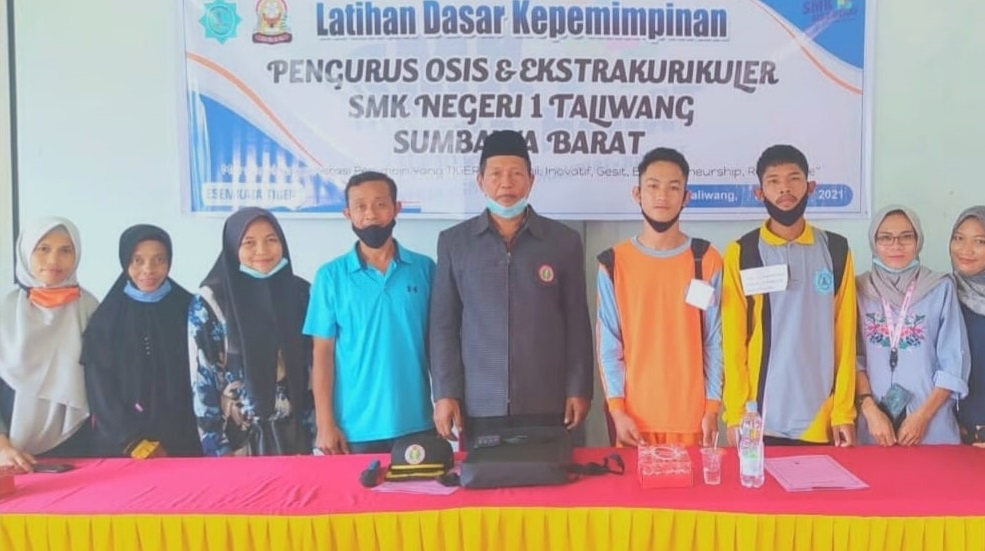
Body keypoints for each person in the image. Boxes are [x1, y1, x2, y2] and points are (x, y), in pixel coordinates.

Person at [429, 130, 594, 450]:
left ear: (531, 180)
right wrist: (445, 393)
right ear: (480, 181)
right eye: (496, 174)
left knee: (550, 480)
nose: (506, 183)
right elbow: (443, 326)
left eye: (516, 173)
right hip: (479, 403)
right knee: (483, 481)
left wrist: (579, 388)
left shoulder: (563, 241)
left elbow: (577, 322)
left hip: (547, 400)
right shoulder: (455, 243)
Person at [721, 145, 857, 446]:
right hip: (759, 419)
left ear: (810, 186)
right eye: (773, 181)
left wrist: (843, 412)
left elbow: (845, 337)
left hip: (821, 419)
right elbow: (732, 343)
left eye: (794, 178)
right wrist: (736, 414)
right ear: (759, 193)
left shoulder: (836, 250)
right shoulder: (742, 252)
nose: (784, 188)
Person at [596, 147, 723, 447]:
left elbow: (713, 341)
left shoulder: (706, 259)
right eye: (653, 186)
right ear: (637, 194)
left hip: (692, 420)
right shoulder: (613, 263)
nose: (662, 196)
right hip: (634, 422)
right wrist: (617, 411)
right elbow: (609, 345)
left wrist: (712, 408)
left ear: (686, 197)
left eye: (673, 187)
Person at [304, 171, 436, 454]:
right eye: (360, 206)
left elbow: (439, 343)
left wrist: (447, 401)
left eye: (380, 204)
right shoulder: (330, 276)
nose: (371, 215)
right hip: (354, 429)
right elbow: (322, 353)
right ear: (347, 213)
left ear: (396, 208)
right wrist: (325, 423)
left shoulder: (425, 269)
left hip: (417, 421)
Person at [189, 207, 313, 456]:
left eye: (271, 240)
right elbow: (203, 378)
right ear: (232, 247)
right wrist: (217, 448)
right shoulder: (211, 302)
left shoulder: (300, 294)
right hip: (238, 442)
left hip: (299, 437)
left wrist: (318, 431)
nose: (262, 251)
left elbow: (313, 366)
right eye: (249, 243)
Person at [81, 224, 201, 457]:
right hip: (122, 445)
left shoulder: (190, 309)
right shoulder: (107, 318)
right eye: (138, 260)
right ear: (125, 261)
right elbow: (100, 389)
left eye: (159, 260)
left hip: (184, 441)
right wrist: (131, 441)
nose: (149, 270)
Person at [855, 206, 969, 446]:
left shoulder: (939, 288)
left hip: (930, 424)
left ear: (918, 241)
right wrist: (869, 410)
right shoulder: (859, 289)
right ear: (874, 241)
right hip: (874, 427)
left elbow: (953, 362)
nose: (896, 245)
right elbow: (852, 359)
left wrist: (922, 416)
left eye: (906, 237)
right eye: (886, 237)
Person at [0, 218, 98, 471]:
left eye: (65, 250)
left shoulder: (89, 308)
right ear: (26, 252)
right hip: (9, 449)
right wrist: (2, 446)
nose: (54, 260)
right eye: (43, 249)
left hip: (76, 440)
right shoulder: (5, 311)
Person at [951, 206, 985, 448]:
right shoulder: (941, 293)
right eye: (959, 238)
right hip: (946, 437)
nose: (966, 250)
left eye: (980, 241)